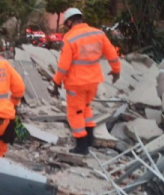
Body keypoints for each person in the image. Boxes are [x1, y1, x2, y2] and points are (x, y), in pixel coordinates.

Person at [51, 8, 121, 155]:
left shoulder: (70, 38)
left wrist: (56, 82)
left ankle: (81, 146)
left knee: (75, 113)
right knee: (86, 108)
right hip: (93, 81)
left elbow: (63, 66)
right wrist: (116, 70)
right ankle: (89, 139)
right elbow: (112, 54)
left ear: (69, 22)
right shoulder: (98, 33)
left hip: (76, 84)